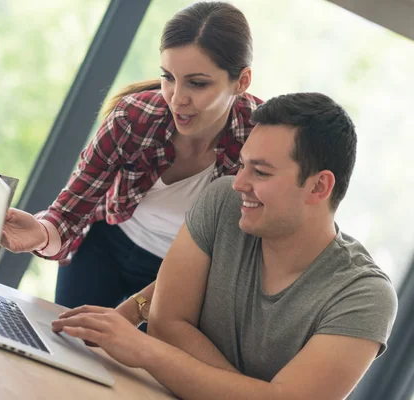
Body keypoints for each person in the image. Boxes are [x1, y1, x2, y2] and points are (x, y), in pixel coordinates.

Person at [51, 92, 399, 400]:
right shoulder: (223, 203)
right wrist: (250, 392)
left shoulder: (364, 297)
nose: (239, 183)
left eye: (261, 172)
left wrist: (146, 351)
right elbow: (165, 324)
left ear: (318, 187)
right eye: (244, 164)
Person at [0, 1, 262, 324]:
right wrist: (40, 232)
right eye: (168, 77)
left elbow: (231, 259)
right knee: (67, 347)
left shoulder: (261, 143)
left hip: (178, 275)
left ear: (242, 81)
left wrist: (135, 309)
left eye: (197, 83)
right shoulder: (133, 118)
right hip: (105, 247)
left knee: (129, 370)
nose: (177, 98)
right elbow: (70, 212)